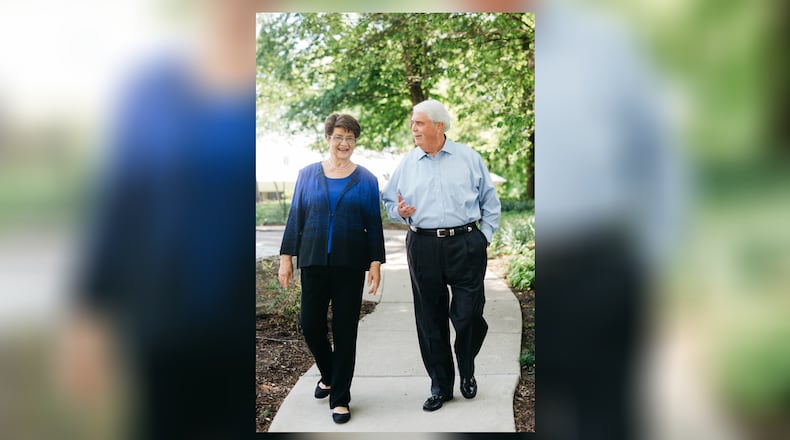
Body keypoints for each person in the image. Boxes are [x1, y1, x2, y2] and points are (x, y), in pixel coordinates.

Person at [382, 99, 501, 412]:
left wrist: (482, 239)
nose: (413, 129)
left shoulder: (469, 158)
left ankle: (467, 366)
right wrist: (400, 212)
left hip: (465, 244)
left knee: (468, 315)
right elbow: (389, 203)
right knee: (430, 319)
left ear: (438, 125)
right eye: (413, 124)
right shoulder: (407, 163)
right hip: (422, 246)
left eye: (419, 123)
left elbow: (491, 202)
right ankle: (441, 385)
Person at [278, 113, 386, 424]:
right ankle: (329, 373)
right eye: (338, 137)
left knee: (345, 331)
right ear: (328, 138)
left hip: (350, 265)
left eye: (350, 138)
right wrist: (287, 257)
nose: (344, 143)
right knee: (309, 324)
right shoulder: (307, 174)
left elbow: (373, 225)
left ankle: (340, 397)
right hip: (313, 261)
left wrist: (375, 263)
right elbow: (296, 216)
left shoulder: (366, 179)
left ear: (355, 142)